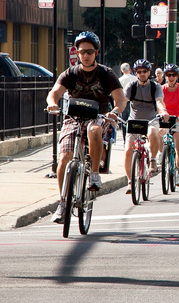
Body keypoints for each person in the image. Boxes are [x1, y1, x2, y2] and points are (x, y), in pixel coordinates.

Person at [45, 32, 127, 223]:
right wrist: (52, 103)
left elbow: (121, 99)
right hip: (73, 118)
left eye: (90, 52)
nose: (86, 55)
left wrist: (115, 112)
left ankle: (95, 175)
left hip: (98, 117)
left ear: (96, 52)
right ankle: (63, 202)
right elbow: (54, 93)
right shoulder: (70, 73)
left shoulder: (106, 73)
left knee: (95, 130)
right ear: (77, 53)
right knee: (64, 158)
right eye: (82, 52)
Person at [123, 59, 170, 187]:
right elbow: (123, 101)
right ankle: (130, 181)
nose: (142, 74)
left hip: (151, 119)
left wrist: (163, 111)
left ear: (149, 72)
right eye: (139, 72)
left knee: (153, 132)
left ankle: (153, 160)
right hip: (134, 121)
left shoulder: (155, 86)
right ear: (136, 73)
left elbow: (159, 101)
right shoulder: (131, 86)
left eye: (144, 71)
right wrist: (116, 111)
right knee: (128, 151)